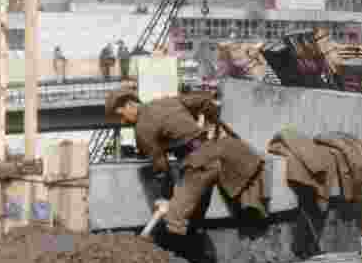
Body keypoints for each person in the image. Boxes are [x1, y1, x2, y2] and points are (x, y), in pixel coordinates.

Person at [105, 88, 266, 237]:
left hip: (198, 165)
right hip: (219, 152)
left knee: (174, 219)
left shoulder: (142, 129)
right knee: (198, 211)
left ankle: (181, 260)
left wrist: (167, 196)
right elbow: (204, 100)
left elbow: (161, 166)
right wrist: (212, 124)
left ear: (130, 104)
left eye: (120, 115)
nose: (122, 122)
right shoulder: (168, 101)